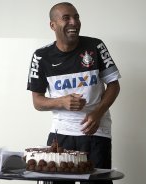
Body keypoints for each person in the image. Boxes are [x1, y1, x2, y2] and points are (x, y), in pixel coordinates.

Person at [27, 2, 121, 184]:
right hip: (60, 134)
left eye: (76, 17)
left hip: (96, 132)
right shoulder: (41, 56)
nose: (74, 22)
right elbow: (37, 102)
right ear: (52, 25)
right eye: (66, 18)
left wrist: (98, 113)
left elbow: (114, 86)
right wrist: (61, 102)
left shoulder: (95, 46)